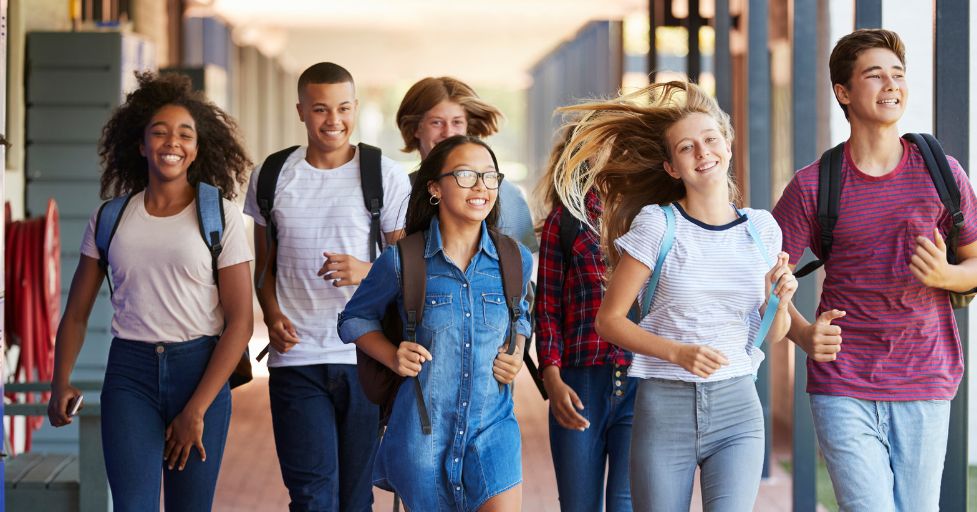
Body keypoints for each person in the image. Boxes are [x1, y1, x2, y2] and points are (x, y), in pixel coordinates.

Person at [554, 81, 797, 511]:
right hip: (665, 407)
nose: (703, 153)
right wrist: (677, 353)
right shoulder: (658, 225)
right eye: (687, 148)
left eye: (710, 140)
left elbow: (772, 334)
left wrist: (777, 297)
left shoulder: (762, 229)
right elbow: (609, 321)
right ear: (671, 167)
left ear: (727, 143)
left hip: (738, 407)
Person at [772, 29, 977, 511]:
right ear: (842, 92)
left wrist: (949, 277)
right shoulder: (813, 185)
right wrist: (801, 333)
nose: (892, 84)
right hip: (843, 383)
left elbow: (974, 261)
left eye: (898, 74)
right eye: (875, 74)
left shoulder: (941, 172)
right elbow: (762, 278)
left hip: (925, 380)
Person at [46, 71, 254, 511]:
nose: (171, 142)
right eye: (159, 132)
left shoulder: (220, 216)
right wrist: (59, 381)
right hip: (130, 375)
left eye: (184, 134)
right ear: (140, 145)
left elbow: (240, 322)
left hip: (201, 371)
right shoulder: (110, 219)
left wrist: (196, 409)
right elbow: (77, 313)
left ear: (197, 148)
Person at [243, 62, 411, 511]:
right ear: (301, 111)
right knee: (311, 497)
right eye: (320, 109)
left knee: (356, 500)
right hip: (296, 359)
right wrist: (272, 316)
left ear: (355, 108)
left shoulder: (385, 176)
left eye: (342, 108)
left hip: (365, 358)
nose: (332, 120)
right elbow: (265, 270)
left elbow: (407, 272)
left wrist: (366, 271)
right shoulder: (272, 175)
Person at [338, 135, 533, 511]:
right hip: (423, 437)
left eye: (490, 176)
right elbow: (354, 318)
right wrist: (392, 355)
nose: (481, 186)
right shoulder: (403, 260)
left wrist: (518, 348)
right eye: (465, 175)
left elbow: (520, 314)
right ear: (434, 187)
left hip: (493, 431)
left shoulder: (514, 258)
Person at [534, 128, 635, 511]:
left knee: (626, 503)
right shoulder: (566, 220)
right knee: (578, 505)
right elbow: (546, 308)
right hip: (579, 383)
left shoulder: (651, 214)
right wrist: (552, 377)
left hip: (641, 380)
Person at [396, 76, 538, 251]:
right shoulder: (395, 190)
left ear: (467, 128)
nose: (448, 133)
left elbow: (522, 265)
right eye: (437, 122)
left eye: (457, 122)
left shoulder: (506, 194)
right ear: (416, 128)